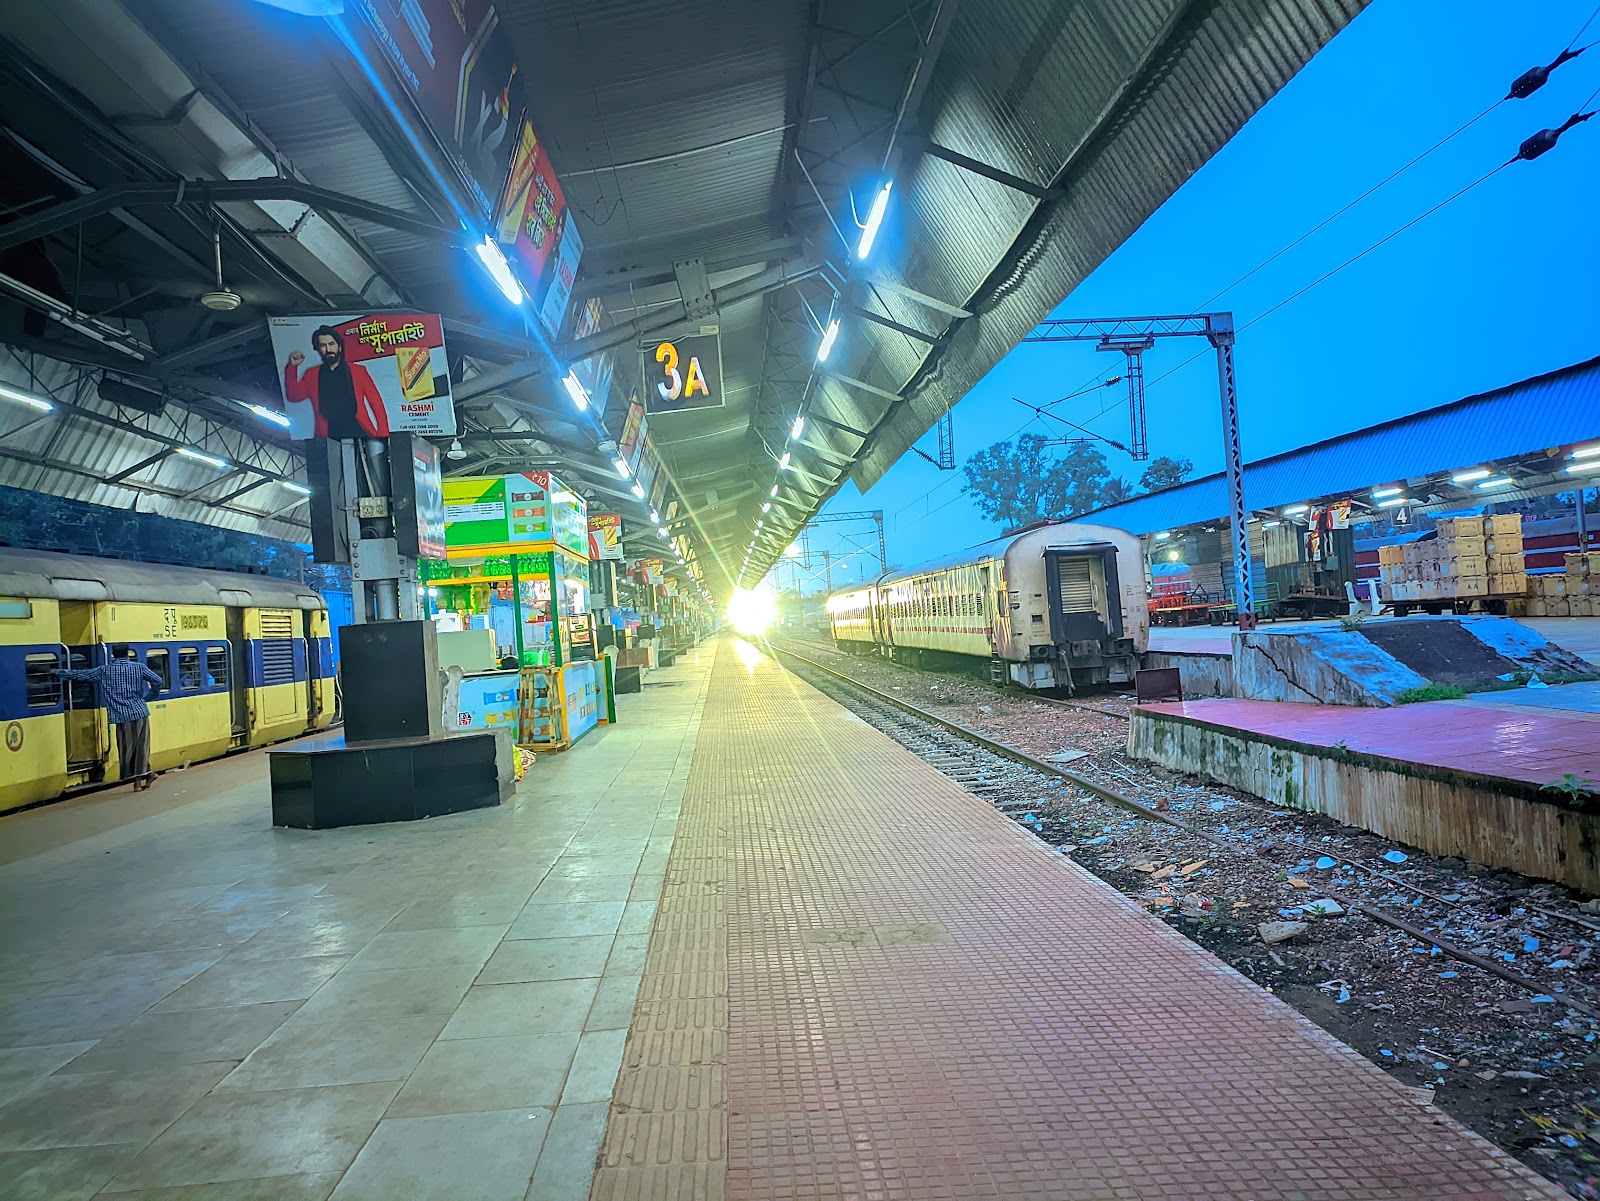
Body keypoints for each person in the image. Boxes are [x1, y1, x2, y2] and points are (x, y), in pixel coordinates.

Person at [58, 644, 165, 791]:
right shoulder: (139, 667)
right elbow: (158, 680)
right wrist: (149, 697)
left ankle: (138, 782)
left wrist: (58, 672)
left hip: (121, 715)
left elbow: (81, 675)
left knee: (127, 748)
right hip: (140, 712)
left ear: (113, 655)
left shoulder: (105, 670)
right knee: (141, 746)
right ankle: (148, 775)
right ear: (127, 653)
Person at [283, 325, 390, 439]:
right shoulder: (312, 374)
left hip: (359, 430)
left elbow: (376, 402)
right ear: (318, 349)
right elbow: (294, 396)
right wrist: (292, 367)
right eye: (323, 345)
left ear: (339, 347)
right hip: (329, 434)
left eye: (331, 344)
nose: (328, 349)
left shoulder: (358, 371)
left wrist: (383, 434)